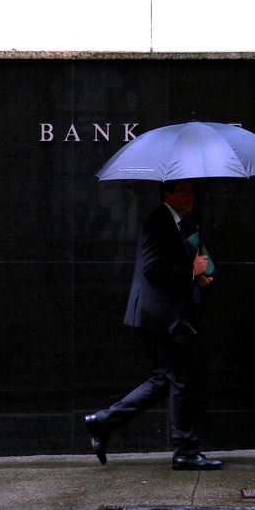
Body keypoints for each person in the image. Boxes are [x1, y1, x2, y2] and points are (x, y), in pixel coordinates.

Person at [85, 179, 223, 471]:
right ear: (168, 194)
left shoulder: (181, 223)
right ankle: (184, 451)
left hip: (163, 316)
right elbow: (152, 269)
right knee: (181, 379)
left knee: (166, 378)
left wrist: (199, 274)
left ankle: (103, 421)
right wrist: (190, 271)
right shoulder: (158, 220)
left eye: (192, 191)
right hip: (156, 317)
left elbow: (180, 263)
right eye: (184, 191)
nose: (190, 196)